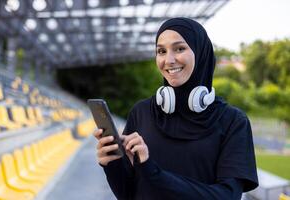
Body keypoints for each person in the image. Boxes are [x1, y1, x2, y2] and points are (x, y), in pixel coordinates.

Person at [93, 17, 258, 200]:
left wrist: (153, 172)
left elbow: (228, 196)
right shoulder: (142, 112)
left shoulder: (233, 121)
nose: (169, 60)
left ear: (200, 52)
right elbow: (129, 194)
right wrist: (112, 164)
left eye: (179, 48)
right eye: (161, 51)